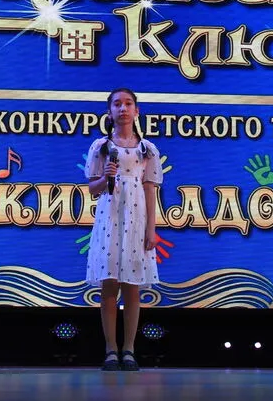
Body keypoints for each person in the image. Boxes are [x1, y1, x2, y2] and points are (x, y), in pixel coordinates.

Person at [84, 88, 162, 371]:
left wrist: (151, 229)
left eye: (128, 103)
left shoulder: (147, 149)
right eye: (117, 104)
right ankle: (110, 349)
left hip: (136, 220)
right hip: (110, 220)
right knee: (109, 284)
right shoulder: (101, 147)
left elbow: (150, 190)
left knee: (132, 286)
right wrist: (105, 176)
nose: (123, 108)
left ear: (136, 111)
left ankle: (129, 349)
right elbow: (93, 189)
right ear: (110, 111)